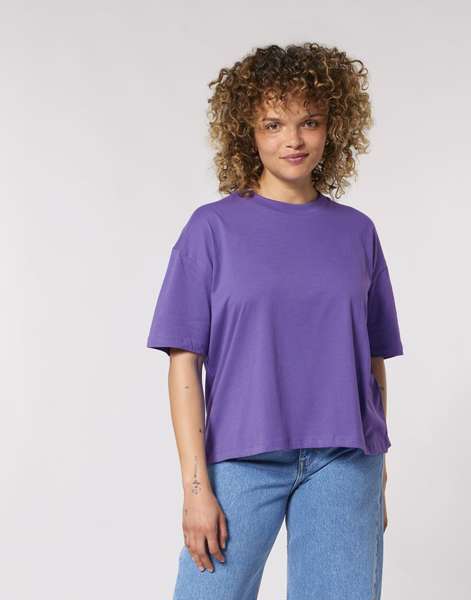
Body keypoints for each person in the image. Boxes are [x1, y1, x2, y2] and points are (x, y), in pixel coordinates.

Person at [146, 42, 404, 600]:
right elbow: (183, 363)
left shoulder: (357, 233)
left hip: (345, 462)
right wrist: (196, 488)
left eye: (310, 122)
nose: (294, 139)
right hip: (242, 458)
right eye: (274, 124)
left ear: (333, 127)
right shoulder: (211, 230)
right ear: (249, 132)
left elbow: (373, 360)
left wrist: (379, 470)